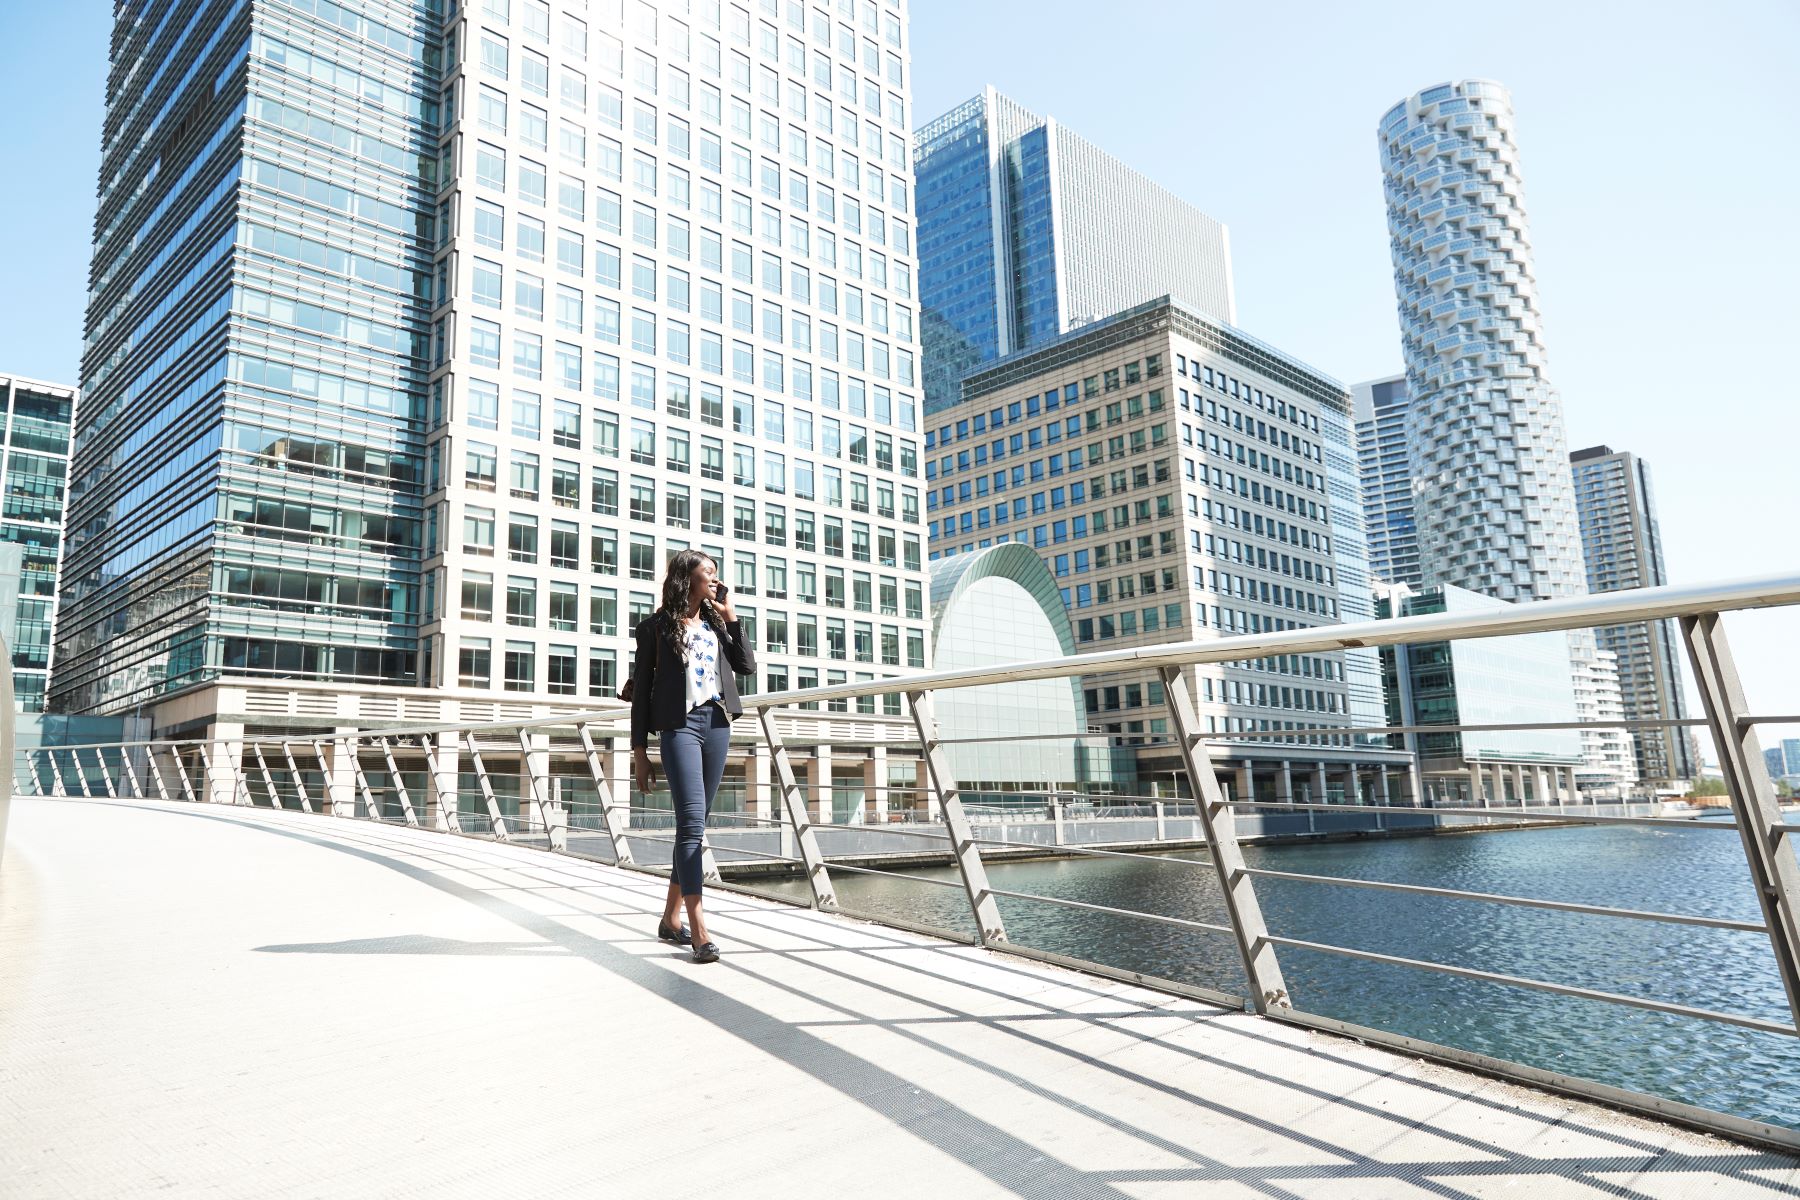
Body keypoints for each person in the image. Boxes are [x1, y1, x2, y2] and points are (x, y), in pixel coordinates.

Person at [629, 550, 755, 963]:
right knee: (690, 825)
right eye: (709, 574)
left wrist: (732, 615)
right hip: (679, 727)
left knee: (695, 824)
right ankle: (699, 929)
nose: (715, 581)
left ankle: (670, 919)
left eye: (716, 575)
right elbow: (639, 696)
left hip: (717, 724)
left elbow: (746, 666)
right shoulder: (654, 628)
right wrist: (639, 752)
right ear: (689, 578)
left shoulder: (718, 625)